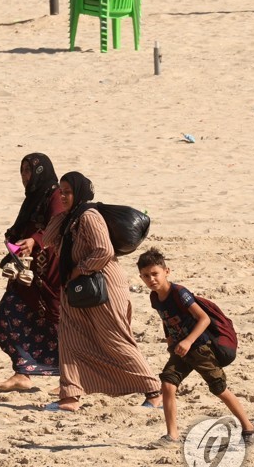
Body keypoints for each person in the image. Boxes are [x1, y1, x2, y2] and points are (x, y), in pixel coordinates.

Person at [33, 171, 161, 412]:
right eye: (61, 192)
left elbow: (103, 250)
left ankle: (154, 391)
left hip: (103, 287)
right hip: (77, 288)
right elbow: (47, 239)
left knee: (114, 339)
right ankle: (69, 397)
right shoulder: (71, 217)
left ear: (80, 192)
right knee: (69, 339)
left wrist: (78, 270)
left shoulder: (90, 216)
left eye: (68, 192)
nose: (63, 196)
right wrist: (62, 213)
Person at [138, 247, 254, 447]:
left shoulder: (179, 292)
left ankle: (249, 428)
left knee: (219, 388)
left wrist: (188, 341)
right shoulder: (155, 298)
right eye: (146, 276)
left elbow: (204, 319)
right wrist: (171, 341)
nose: (151, 279)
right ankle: (172, 435)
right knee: (168, 383)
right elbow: (166, 320)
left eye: (155, 274)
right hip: (181, 349)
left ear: (167, 271)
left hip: (201, 348)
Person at [0, 153, 66, 392]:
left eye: (28, 172)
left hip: (47, 271)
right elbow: (24, 225)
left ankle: (71, 379)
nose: (24, 177)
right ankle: (22, 372)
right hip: (27, 272)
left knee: (57, 324)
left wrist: (35, 240)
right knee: (7, 315)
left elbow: (57, 224)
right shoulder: (33, 198)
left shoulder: (54, 195)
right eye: (22, 171)